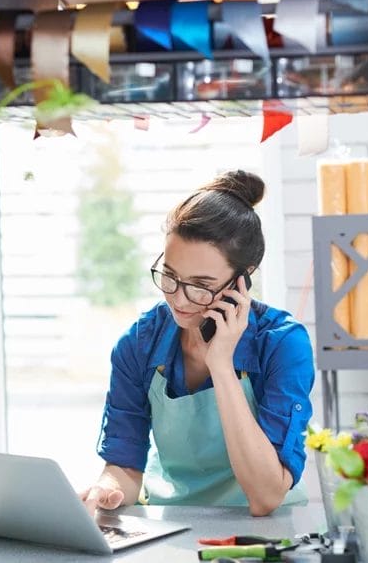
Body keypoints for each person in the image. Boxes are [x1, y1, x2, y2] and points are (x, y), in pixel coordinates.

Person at [79, 170, 315, 517]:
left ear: (242, 280)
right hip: (172, 527)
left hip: (265, 532)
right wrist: (108, 489)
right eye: (170, 276)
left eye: (200, 285)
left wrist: (221, 365)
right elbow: (125, 466)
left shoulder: (282, 344)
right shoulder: (139, 344)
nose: (179, 299)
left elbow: (266, 496)